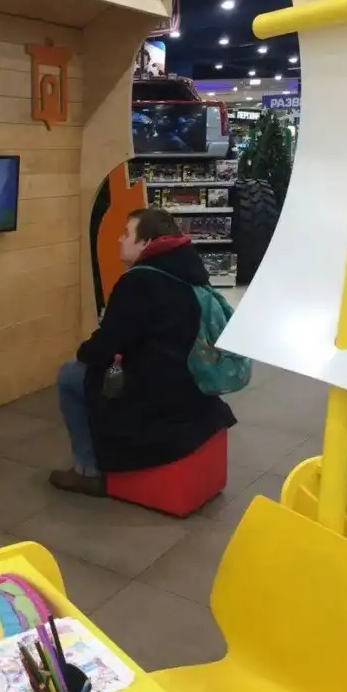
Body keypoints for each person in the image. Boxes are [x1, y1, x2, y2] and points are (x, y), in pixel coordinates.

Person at [50, 208, 237, 496]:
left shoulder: (139, 281)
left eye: (126, 234)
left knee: (70, 375)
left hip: (157, 396)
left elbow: (106, 343)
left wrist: (84, 354)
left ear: (146, 242)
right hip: (192, 384)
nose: (119, 239)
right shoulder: (189, 270)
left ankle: (87, 471)